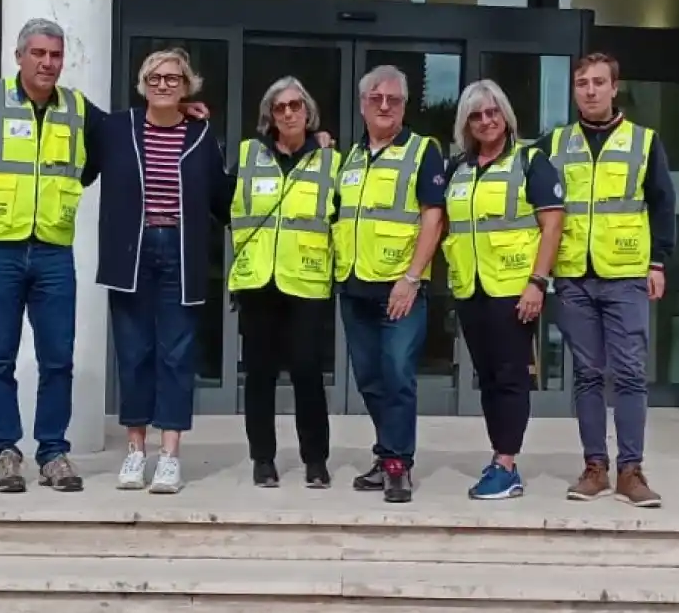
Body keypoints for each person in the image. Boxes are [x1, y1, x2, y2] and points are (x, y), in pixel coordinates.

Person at [0, 19, 94, 495]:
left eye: (55, 54)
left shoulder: (76, 108)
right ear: (18, 57)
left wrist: (187, 111)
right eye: (38, 53)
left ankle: (52, 453)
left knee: (58, 359)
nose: (48, 63)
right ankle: (5, 453)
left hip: (52, 248)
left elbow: (112, 145)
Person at [544, 52, 679, 508]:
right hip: (574, 278)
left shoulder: (643, 141)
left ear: (614, 87)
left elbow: (662, 204)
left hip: (625, 275)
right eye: (582, 82)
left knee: (630, 375)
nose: (590, 90)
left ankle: (631, 471)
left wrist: (658, 263)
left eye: (598, 82)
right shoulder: (555, 144)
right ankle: (594, 468)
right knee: (585, 375)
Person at [93, 48, 230, 495]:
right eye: (155, 77)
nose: (164, 84)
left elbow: (221, 199)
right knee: (134, 354)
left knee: (176, 355)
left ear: (188, 86)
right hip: (131, 252)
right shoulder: (117, 129)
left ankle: (169, 454)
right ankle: (135, 451)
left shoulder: (201, 136)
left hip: (181, 252)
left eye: (174, 79)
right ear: (142, 83)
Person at [442, 80, 565, 500]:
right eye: (476, 115)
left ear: (506, 115)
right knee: (489, 378)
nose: (485, 120)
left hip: (514, 290)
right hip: (472, 289)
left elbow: (552, 225)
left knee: (511, 377)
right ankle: (499, 455)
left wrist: (537, 283)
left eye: (492, 112)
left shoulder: (531, 161)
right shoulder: (459, 169)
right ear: (466, 123)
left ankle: (506, 465)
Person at [334, 65, 448, 504]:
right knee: (369, 379)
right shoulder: (350, 158)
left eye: (394, 100)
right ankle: (386, 454)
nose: (385, 106)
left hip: (400, 289)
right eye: (376, 99)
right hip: (355, 287)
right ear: (363, 105)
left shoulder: (423, 152)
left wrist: (411, 278)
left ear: (404, 106)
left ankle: (398, 463)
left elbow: (432, 219)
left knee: (398, 373)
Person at [230, 77, 340, 489]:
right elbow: (224, 204)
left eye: (296, 105)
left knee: (308, 373)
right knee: (259, 375)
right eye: (280, 108)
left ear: (308, 112)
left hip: (307, 283)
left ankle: (315, 460)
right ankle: (263, 459)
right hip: (258, 281)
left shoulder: (331, 160)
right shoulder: (247, 156)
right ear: (269, 116)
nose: (289, 113)